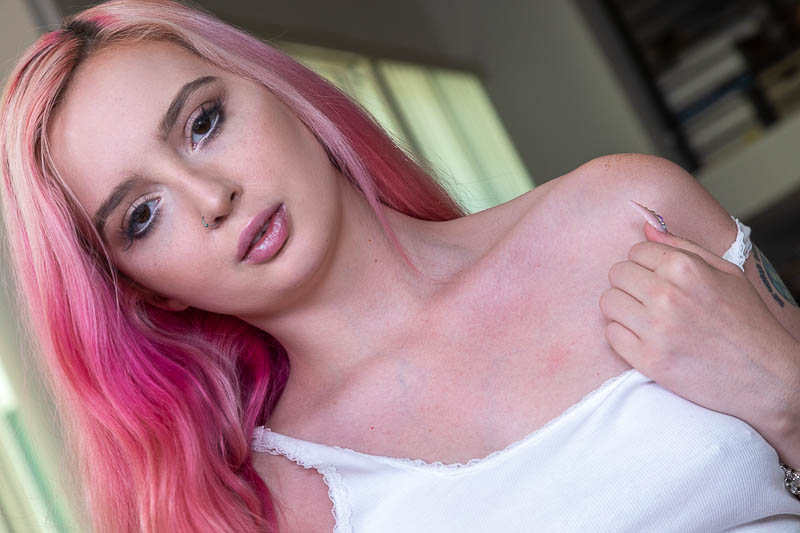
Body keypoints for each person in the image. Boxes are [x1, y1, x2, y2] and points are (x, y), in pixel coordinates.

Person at [0, 0, 797, 531]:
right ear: (144, 290)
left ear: (276, 88)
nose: (212, 196)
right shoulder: (269, 506)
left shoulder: (627, 215)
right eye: (142, 215)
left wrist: (785, 390)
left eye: (204, 121)